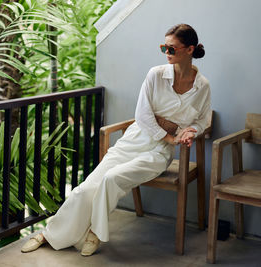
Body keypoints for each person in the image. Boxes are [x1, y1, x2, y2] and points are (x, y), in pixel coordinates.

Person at [21, 23, 211, 256]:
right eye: (164, 48)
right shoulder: (156, 75)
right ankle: (49, 235)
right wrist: (170, 135)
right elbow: (142, 115)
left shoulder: (202, 86)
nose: (166, 53)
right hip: (134, 140)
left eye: (171, 49)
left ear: (190, 50)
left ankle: (96, 233)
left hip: (158, 153)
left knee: (111, 179)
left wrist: (190, 131)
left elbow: (203, 120)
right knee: (85, 189)